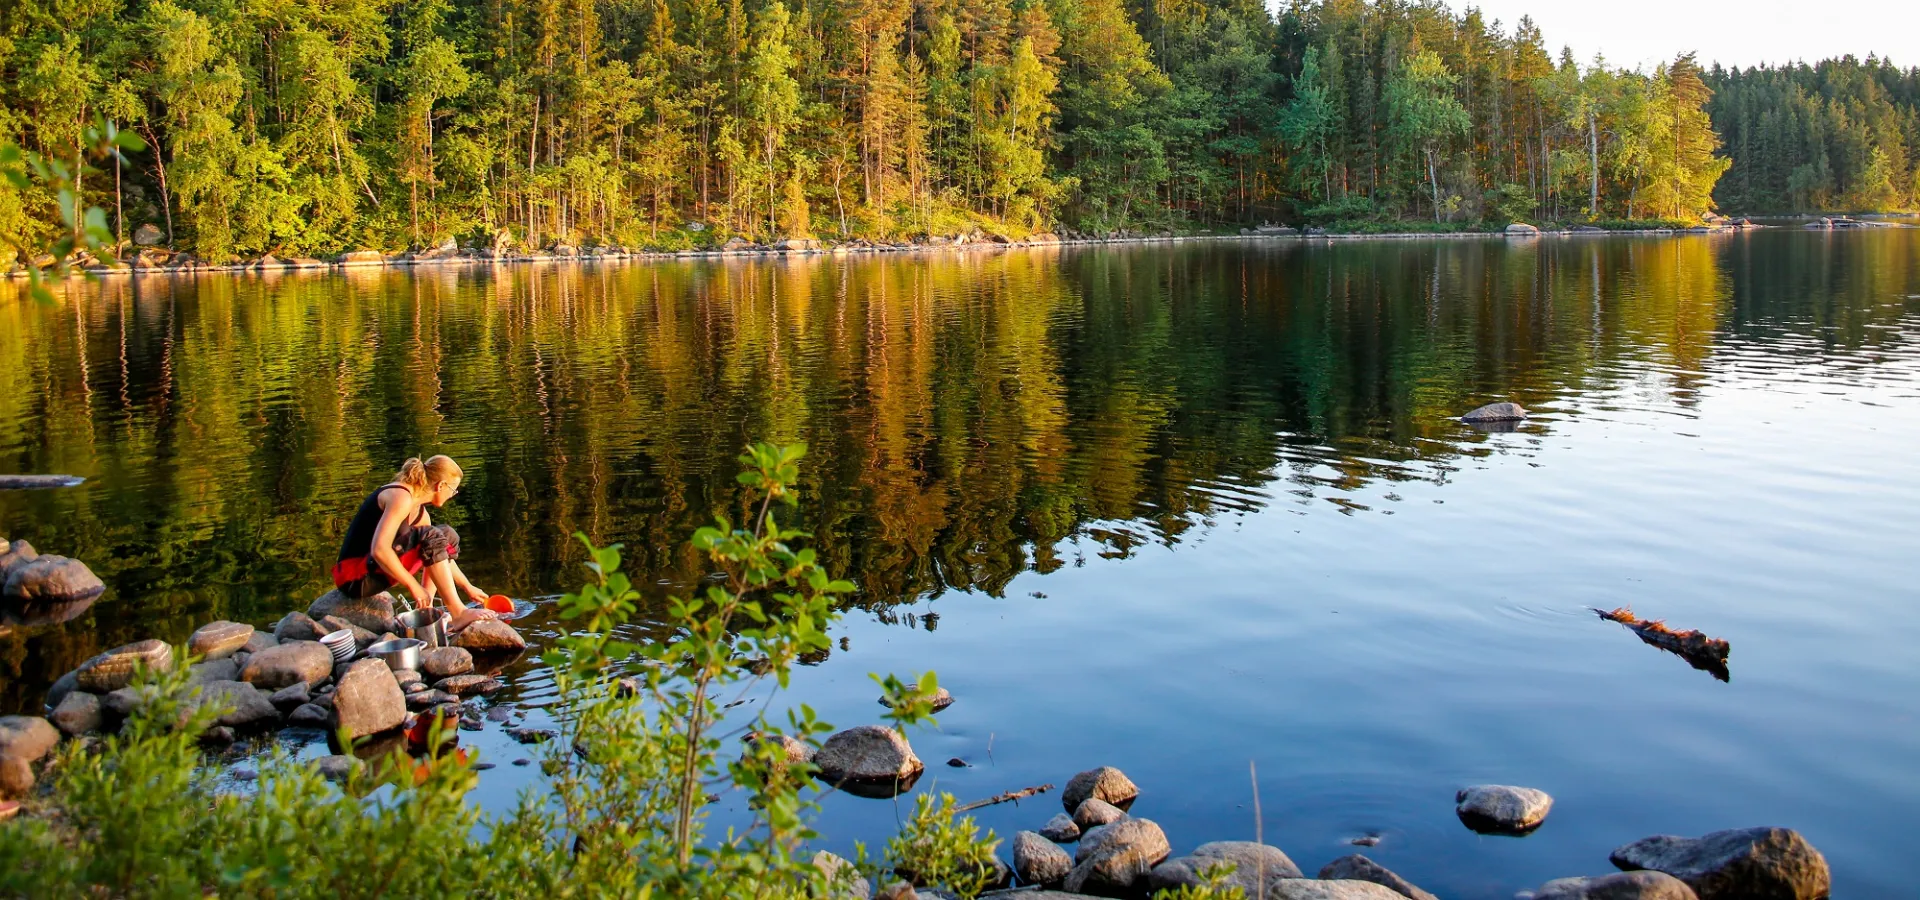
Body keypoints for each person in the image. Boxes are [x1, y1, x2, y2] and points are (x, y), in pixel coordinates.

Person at [332, 455, 499, 631]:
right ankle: (458, 613)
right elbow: (379, 550)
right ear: (440, 485)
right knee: (432, 535)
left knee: (446, 535)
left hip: (373, 571)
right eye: (453, 490)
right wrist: (413, 585)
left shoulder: (421, 513)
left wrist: (467, 586)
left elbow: (438, 554)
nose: (453, 495)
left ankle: (426, 609)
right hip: (355, 578)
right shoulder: (401, 496)